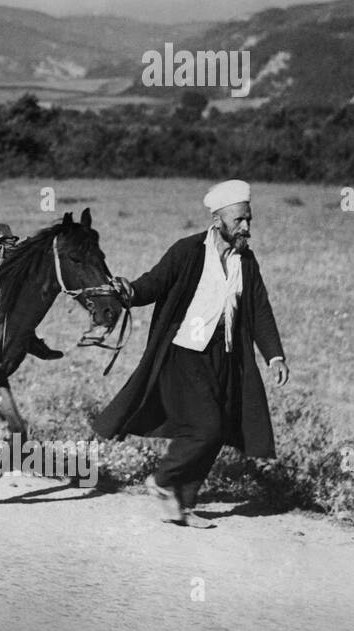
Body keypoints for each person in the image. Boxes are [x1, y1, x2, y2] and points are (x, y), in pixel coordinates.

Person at [93, 180, 289, 529]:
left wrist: (274, 355)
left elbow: (259, 308)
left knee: (220, 427)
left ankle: (182, 505)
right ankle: (163, 479)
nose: (245, 227)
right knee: (207, 427)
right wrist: (130, 291)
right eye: (239, 220)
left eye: (249, 219)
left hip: (226, 355)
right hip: (185, 352)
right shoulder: (188, 250)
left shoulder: (246, 260)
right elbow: (155, 282)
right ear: (217, 221)